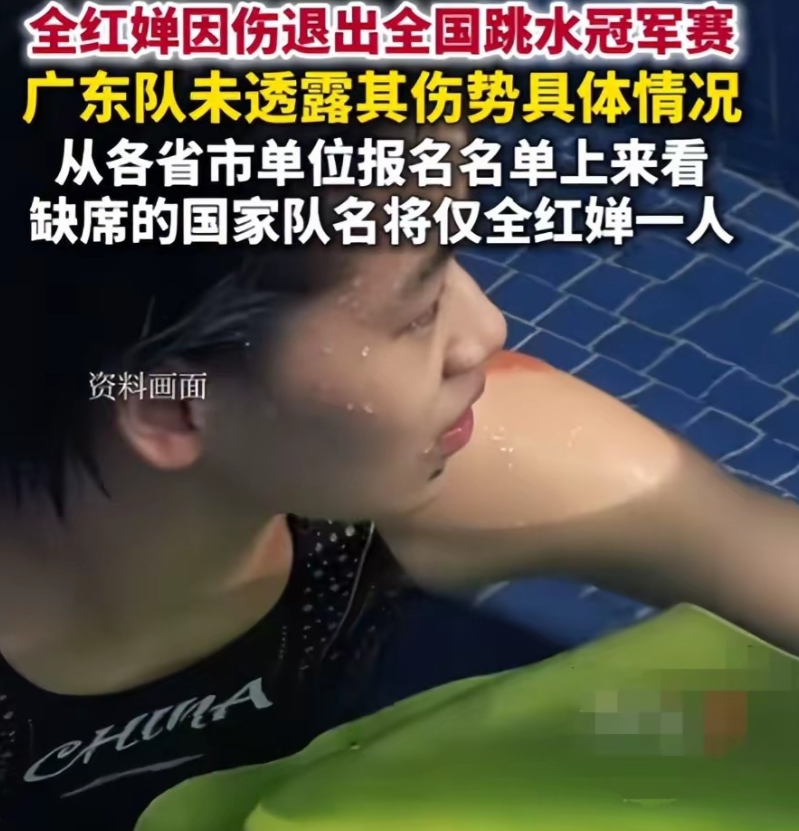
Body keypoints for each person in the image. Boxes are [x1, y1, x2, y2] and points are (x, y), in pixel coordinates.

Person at [5, 53, 799, 831]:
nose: (486, 328)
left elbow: (760, 557)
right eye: (418, 308)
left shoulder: (476, 464)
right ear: (174, 407)